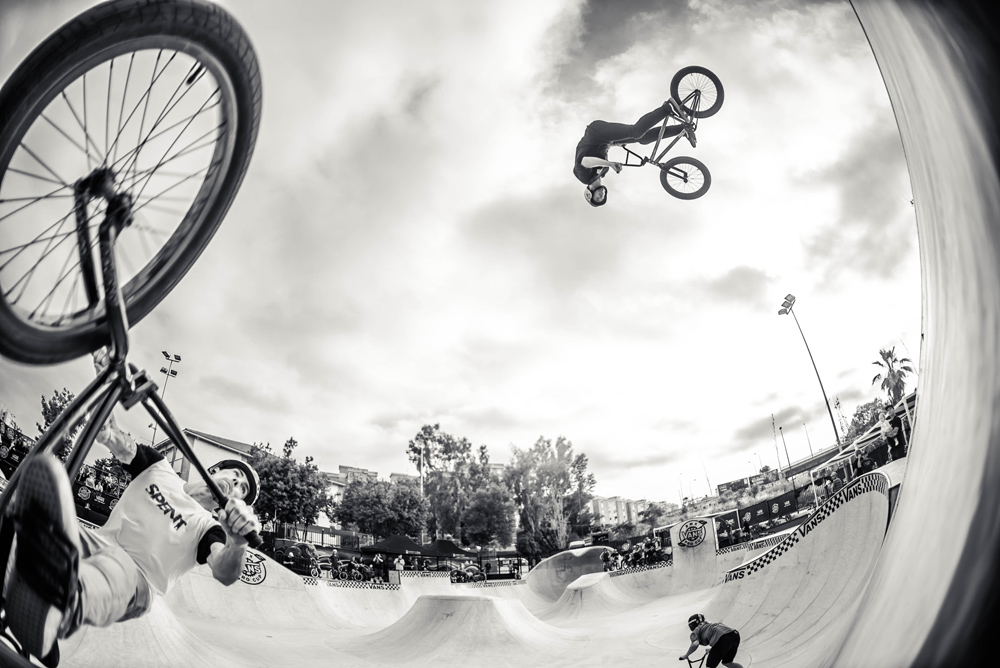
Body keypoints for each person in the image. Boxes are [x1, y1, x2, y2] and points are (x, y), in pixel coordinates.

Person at [4, 350, 261, 663]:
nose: (235, 484)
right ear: (216, 469)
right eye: (233, 475)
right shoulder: (159, 467)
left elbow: (223, 571)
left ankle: (61, 605)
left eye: (241, 489)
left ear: (236, 503)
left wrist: (236, 542)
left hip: (136, 581)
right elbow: (112, 437)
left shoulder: (210, 529)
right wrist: (107, 382)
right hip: (95, 543)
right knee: (35, 515)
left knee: (119, 570)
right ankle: (12, 574)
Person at [574, 98, 690, 207]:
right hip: (606, 141)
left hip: (596, 133)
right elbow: (598, 150)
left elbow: (586, 161)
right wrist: (614, 145)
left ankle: (666, 108)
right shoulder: (603, 171)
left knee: (636, 131)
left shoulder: (585, 178)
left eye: (598, 198)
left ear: (590, 194)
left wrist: (609, 163)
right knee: (643, 139)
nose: (602, 195)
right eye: (603, 197)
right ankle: (682, 129)